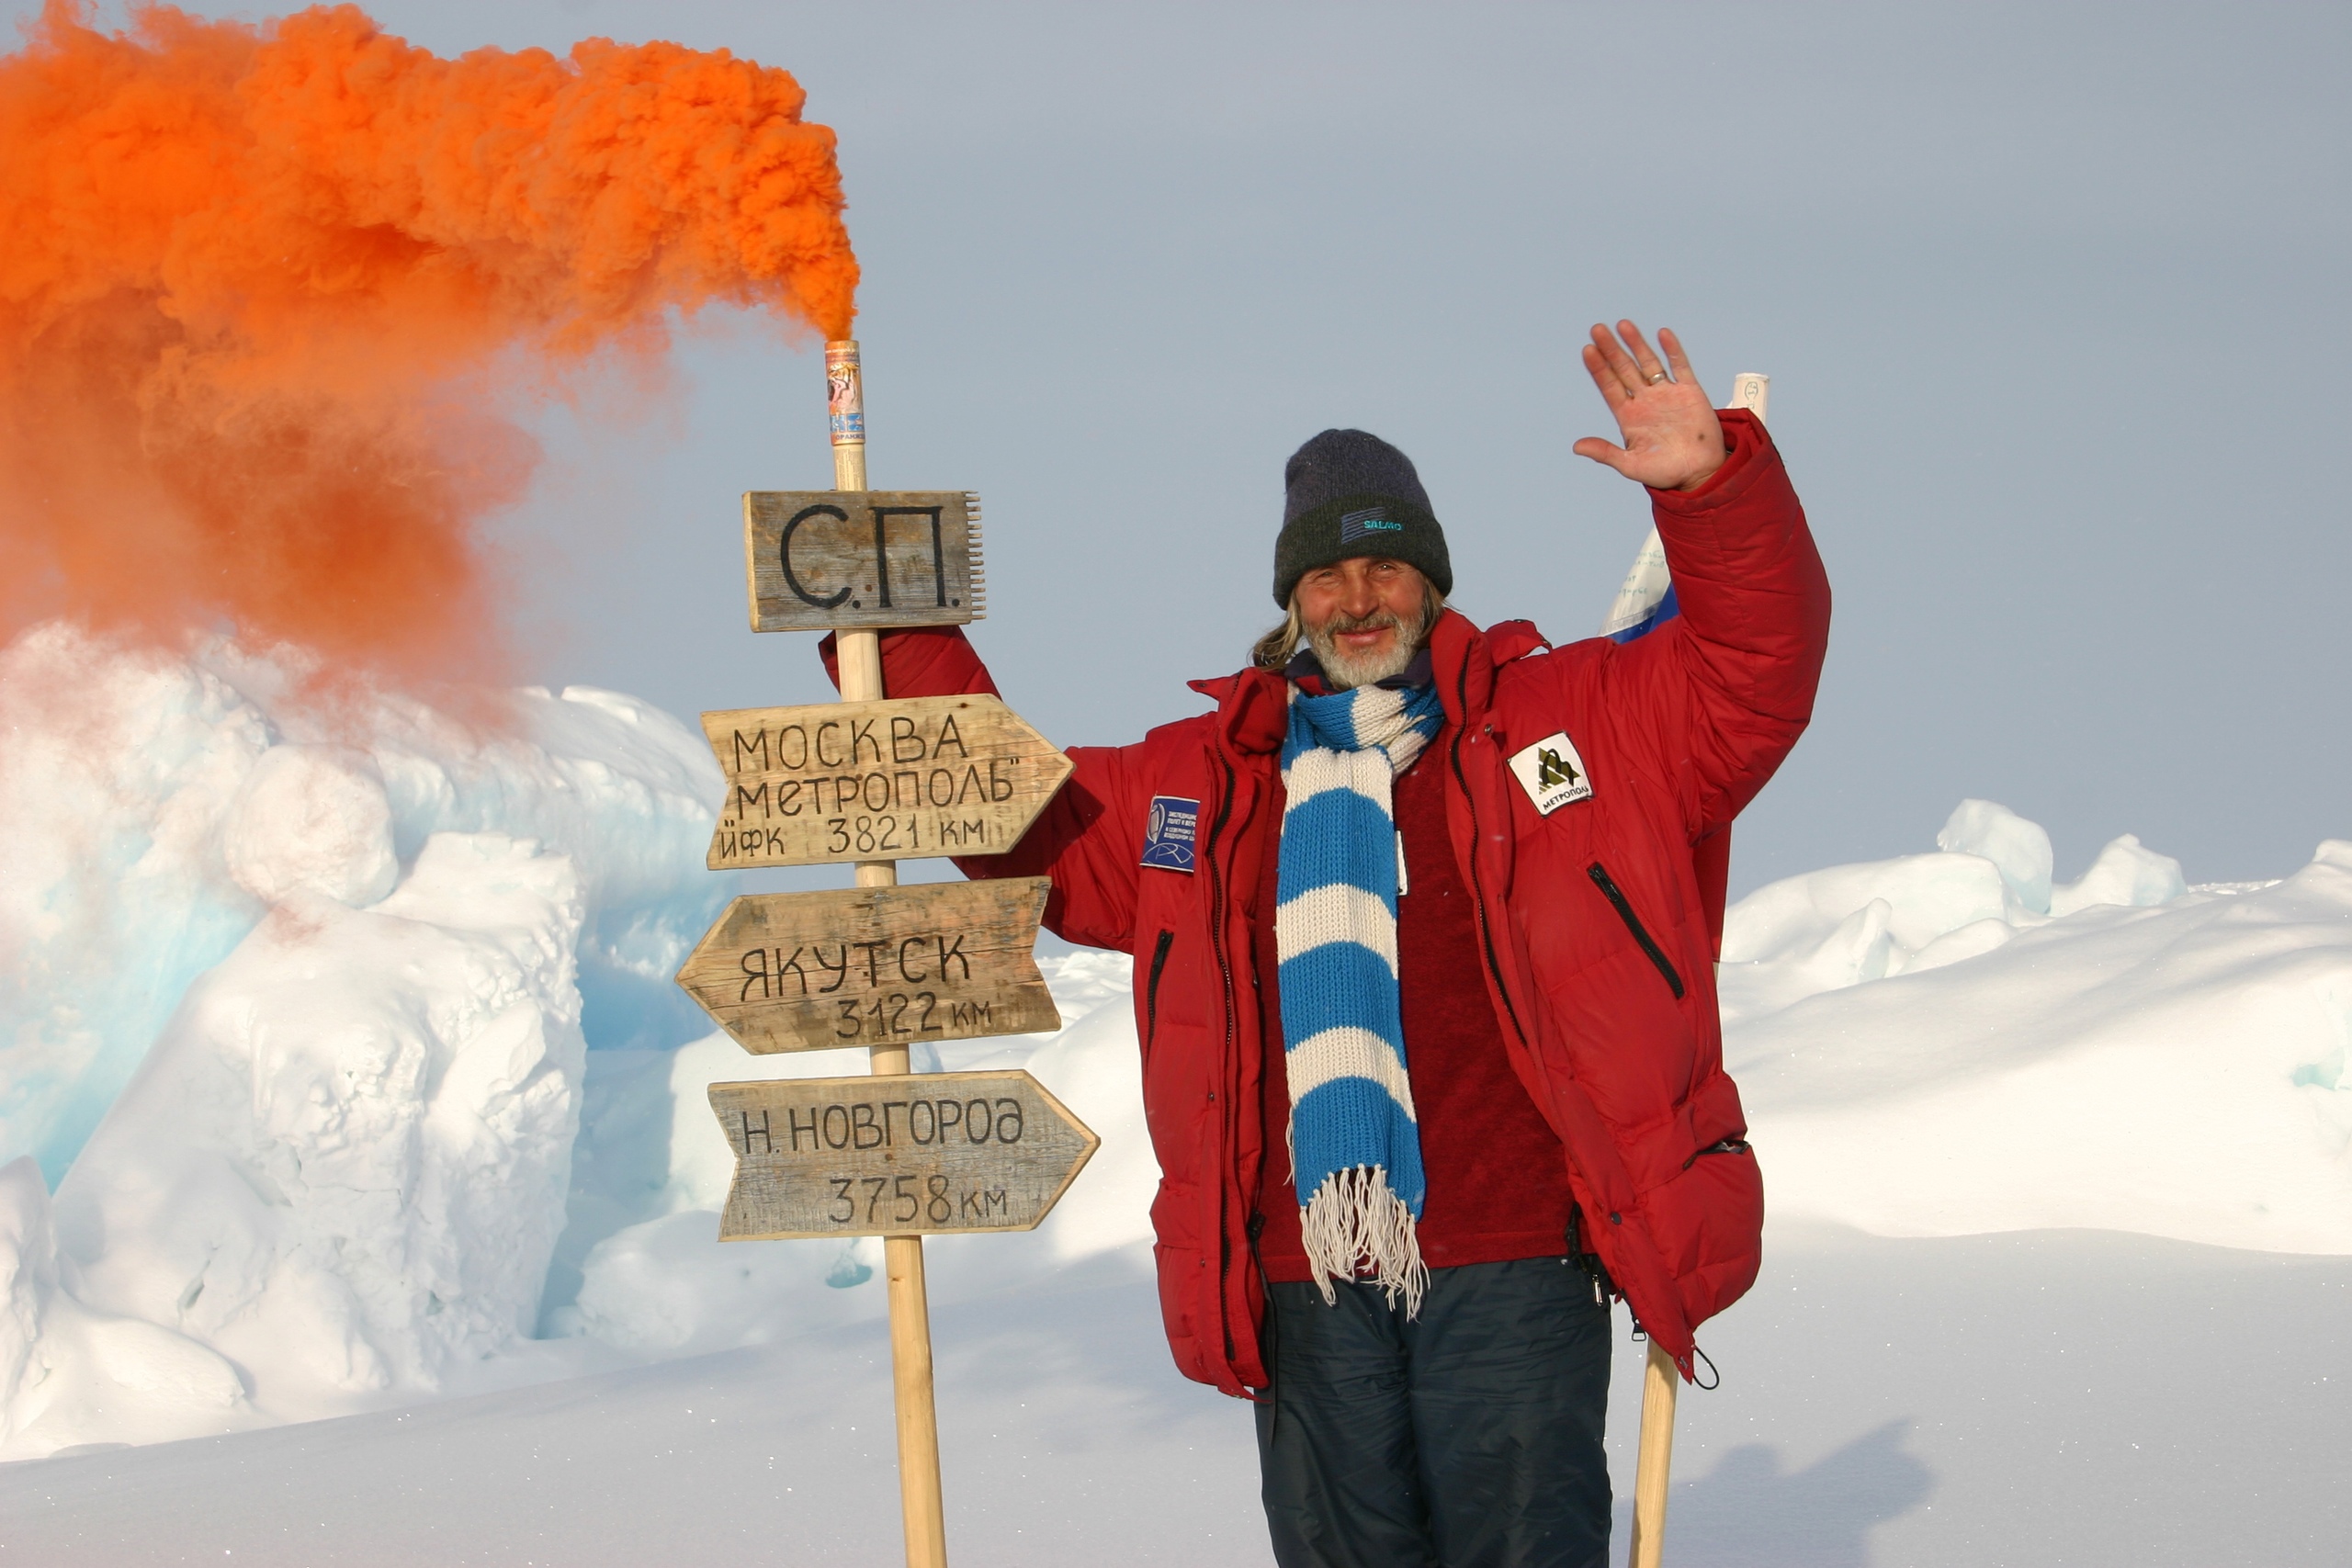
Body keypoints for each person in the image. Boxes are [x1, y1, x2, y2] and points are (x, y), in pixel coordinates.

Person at [820, 321, 1830, 1567]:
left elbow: (1753, 670)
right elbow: (1019, 819)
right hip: (1304, 1278)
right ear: (1292, 601)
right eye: (1328, 581)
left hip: (1516, 1261)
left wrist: (1707, 490)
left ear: (1433, 583)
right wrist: (886, 619)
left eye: (1387, 571)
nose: (1359, 601)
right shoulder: (1210, 781)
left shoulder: (1573, 723)